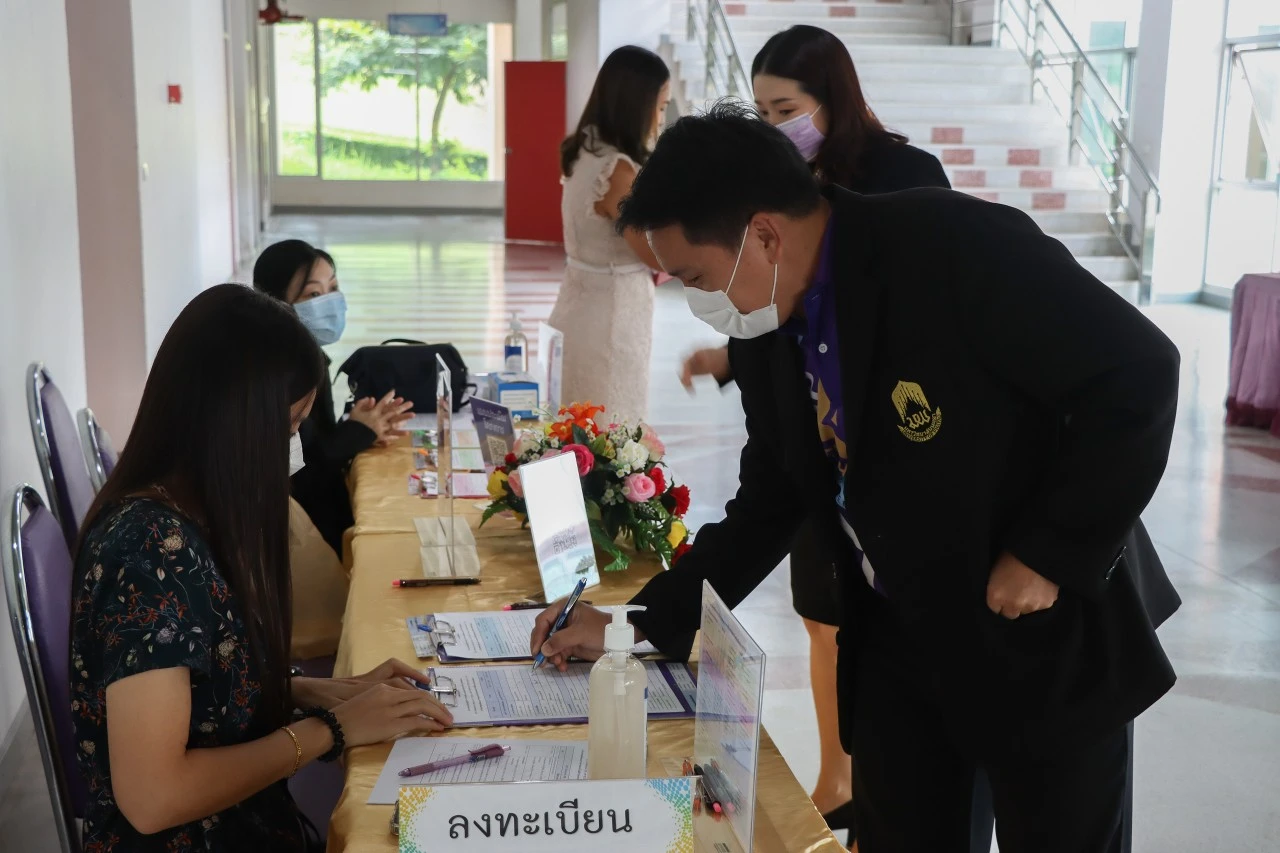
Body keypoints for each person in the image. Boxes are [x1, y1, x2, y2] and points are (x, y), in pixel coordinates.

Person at [532, 103, 1181, 853]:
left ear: (764, 234)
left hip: (1038, 634)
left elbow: (1137, 372)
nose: (701, 302)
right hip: (902, 642)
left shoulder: (949, 246)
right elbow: (770, 499)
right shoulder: (769, 322)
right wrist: (635, 622)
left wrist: (1048, 551)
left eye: (696, 276)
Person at [680, 26, 950, 839]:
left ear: (834, 100)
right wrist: (742, 352)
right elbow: (772, 303)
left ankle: (857, 774)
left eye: (786, 108)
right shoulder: (773, 193)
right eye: (760, 109)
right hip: (834, 470)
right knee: (830, 611)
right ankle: (847, 769)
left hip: (912, 474)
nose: (775, 125)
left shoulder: (907, 185)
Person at [70, 284, 454, 851]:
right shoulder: (148, 552)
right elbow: (155, 798)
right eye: (290, 426)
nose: (294, 445)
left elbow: (200, 680)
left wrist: (313, 692)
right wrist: (332, 730)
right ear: (236, 426)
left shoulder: (193, 512)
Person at [254, 239, 413, 557]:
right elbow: (300, 468)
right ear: (274, 300)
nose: (330, 303)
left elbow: (315, 438)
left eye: (333, 288)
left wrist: (364, 424)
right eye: (313, 294)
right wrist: (359, 432)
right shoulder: (277, 372)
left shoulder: (308, 355)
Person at [548, 45, 671, 421]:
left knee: (579, 425)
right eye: (662, 106)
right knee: (610, 420)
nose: (662, 118)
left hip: (581, 302)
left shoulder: (585, 151)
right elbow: (654, 253)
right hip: (612, 317)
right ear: (637, 105)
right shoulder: (618, 169)